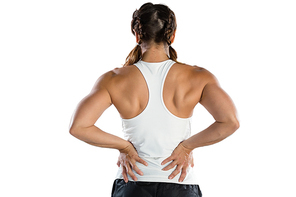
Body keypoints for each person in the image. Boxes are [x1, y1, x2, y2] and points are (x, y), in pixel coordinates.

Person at [69, 2, 239, 197]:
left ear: (137, 34)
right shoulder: (199, 77)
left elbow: (79, 126)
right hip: (180, 185)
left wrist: (124, 146)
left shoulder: (113, 79)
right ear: (172, 35)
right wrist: (187, 147)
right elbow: (230, 122)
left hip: (132, 184)